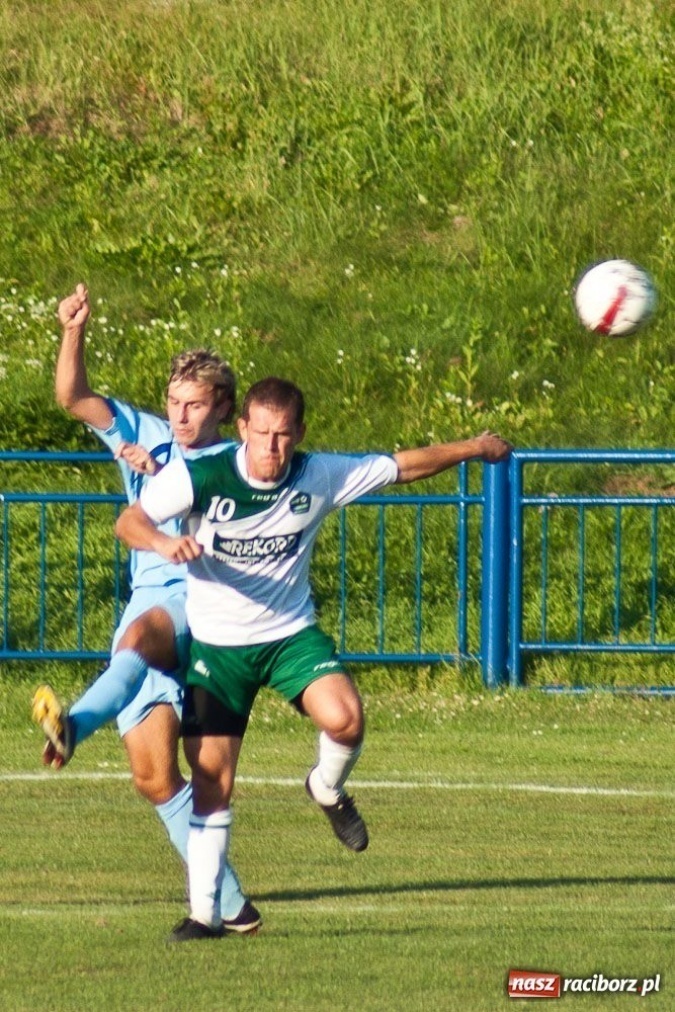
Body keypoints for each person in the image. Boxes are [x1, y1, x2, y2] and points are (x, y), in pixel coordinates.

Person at [116, 376, 513, 942]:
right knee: (211, 782)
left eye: (283, 436)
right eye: (261, 435)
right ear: (241, 430)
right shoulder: (200, 475)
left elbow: (401, 465)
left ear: (300, 434)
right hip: (218, 648)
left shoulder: (318, 473)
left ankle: (325, 788)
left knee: (346, 718)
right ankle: (204, 915)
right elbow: (130, 521)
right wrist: (162, 543)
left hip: (288, 638)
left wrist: (474, 447)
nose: (271, 448)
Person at [31, 283, 260, 935]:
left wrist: (164, 483)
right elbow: (74, 398)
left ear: (222, 408)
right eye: (173, 402)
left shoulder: (244, 464)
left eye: (193, 404)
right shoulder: (149, 436)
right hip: (150, 596)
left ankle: (73, 724)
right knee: (154, 777)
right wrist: (72, 330)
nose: (180, 415)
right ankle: (233, 906)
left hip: (205, 610)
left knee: (137, 643)